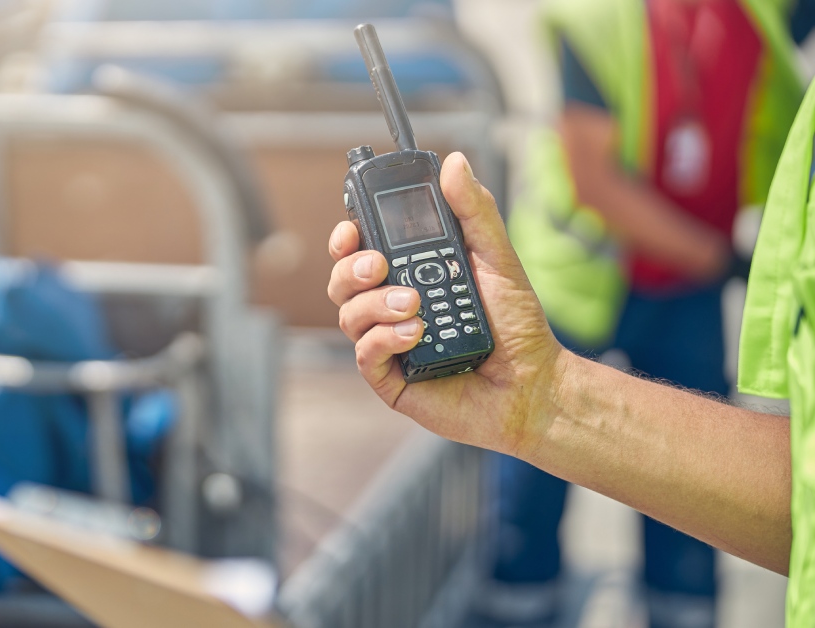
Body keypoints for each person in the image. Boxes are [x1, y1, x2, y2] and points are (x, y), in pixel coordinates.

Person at [324, 65, 815, 622]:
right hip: (598, 282)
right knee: (531, 519)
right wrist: (540, 399)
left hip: (677, 280)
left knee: (669, 564)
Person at [492, 0, 815, 624]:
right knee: (536, 463)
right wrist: (719, 257)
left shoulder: (768, 15)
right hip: (586, 272)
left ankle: (682, 609)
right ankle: (517, 607)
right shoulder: (598, 18)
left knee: (694, 481)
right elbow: (596, 179)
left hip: (686, 283)